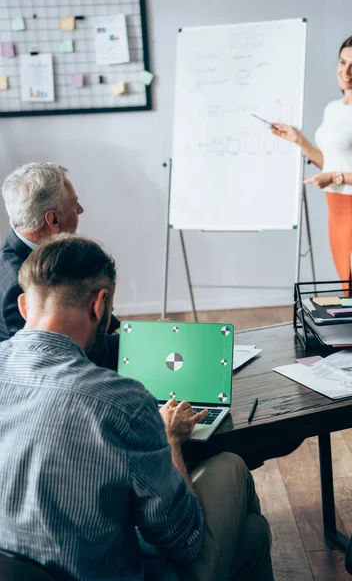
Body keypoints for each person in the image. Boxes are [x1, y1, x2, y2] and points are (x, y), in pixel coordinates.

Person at [0, 233, 274, 581]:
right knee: (233, 472)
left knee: (252, 536)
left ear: (25, 306)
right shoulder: (122, 402)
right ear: (100, 305)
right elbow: (184, 540)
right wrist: (169, 437)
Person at [271, 34, 352, 294]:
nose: (345, 71)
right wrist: (299, 140)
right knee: (349, 290)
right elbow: (331, 163)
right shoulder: (332, 109)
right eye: (342, 62)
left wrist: (335, 177)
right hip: (335, 210)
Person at [0, 162, 120, 368]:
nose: (81, 210)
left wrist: (137, 332)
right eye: (75, 204)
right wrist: (138, 344)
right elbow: (50, 354)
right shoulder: (17, 280)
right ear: (53, 219)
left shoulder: (44, 254)